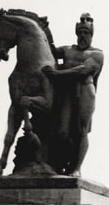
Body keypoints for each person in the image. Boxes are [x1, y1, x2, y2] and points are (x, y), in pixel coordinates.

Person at [44, 13, 105, 176]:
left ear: (91, 35)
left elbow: (83, 71)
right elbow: (50, 50)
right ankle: (61, 163)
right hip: (66, 94)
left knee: (81, 130)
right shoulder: (68, 50)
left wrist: (56, 74)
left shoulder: (97, 54)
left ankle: (77, 168)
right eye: (80, 33)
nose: (82, 36)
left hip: (85, 90)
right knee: (62, 131)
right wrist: (45, 29)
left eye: (86, 33)